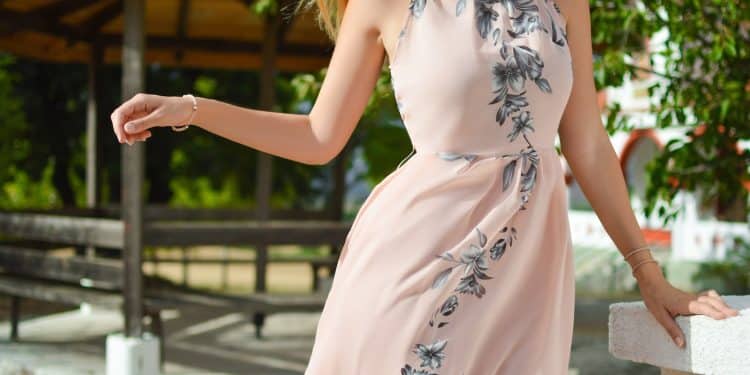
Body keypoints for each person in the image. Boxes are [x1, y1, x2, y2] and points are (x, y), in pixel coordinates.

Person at [110, 0, 740, 373]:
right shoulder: (382, 3)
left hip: (528, 273)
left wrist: (647, 274)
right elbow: (317, 137)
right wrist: (192, 109)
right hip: (412, 264)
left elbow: (588, 143)